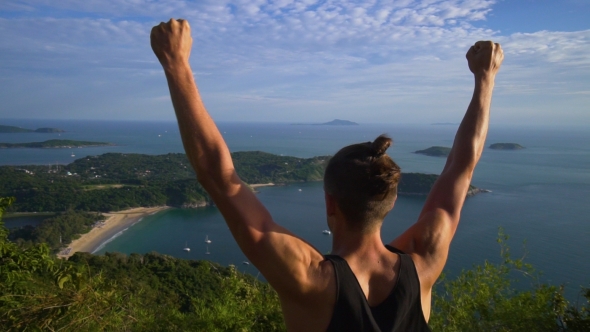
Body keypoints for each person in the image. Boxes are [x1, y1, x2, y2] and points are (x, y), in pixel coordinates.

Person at [150, 18, 503, 332]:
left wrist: (176, 63)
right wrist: (485, 80)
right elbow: (462, 166)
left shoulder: (310, 280)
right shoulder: (425, 261)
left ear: (330, 204)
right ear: (390, 202)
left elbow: (219, 177)